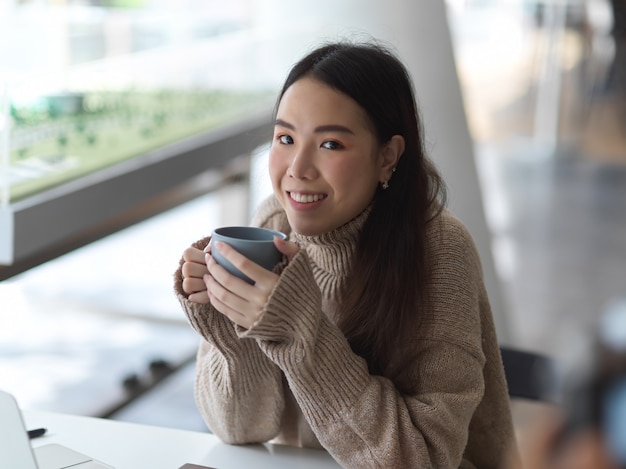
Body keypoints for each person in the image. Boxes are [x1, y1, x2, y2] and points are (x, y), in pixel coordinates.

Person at [174, 40, 519, 468]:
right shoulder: (273, 225)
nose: (297, 168)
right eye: (285, 137)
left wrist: (296, 327)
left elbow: (424, 459)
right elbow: (240, 429)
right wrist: (229, 323)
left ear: (387, 157)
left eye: (331, 144)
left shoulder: (439, 250)